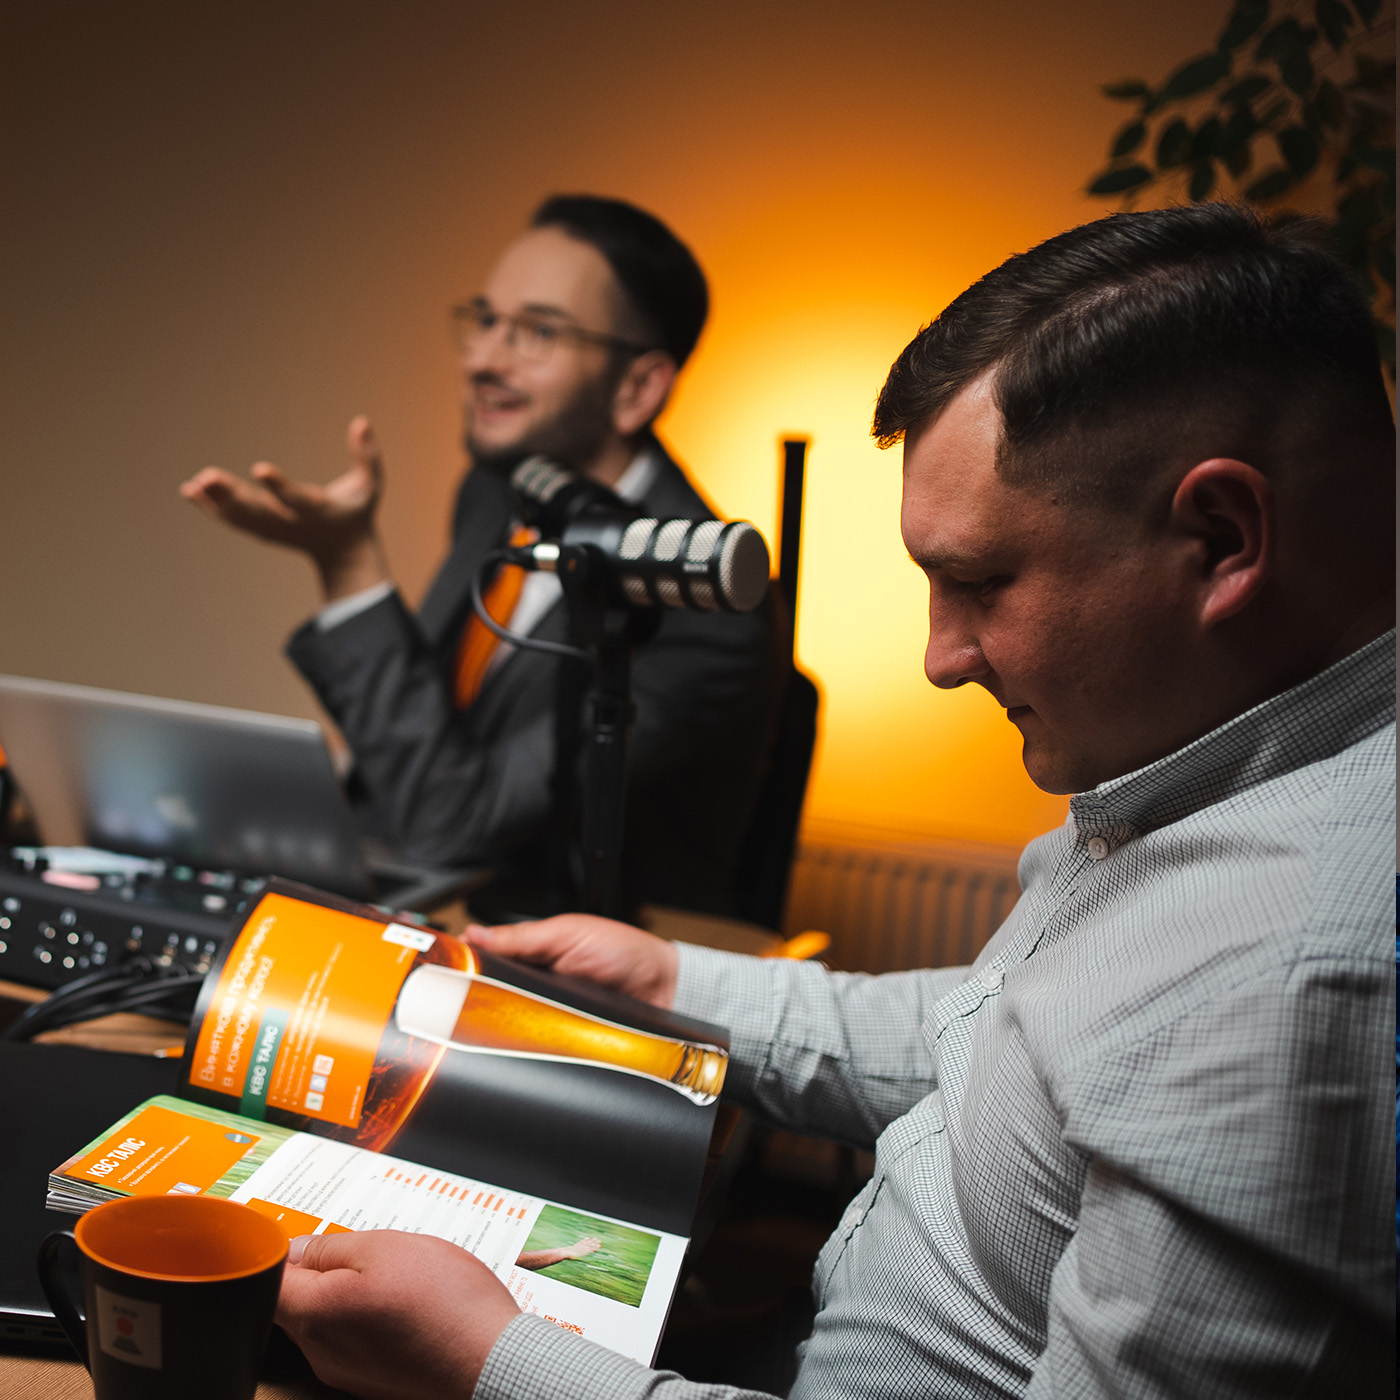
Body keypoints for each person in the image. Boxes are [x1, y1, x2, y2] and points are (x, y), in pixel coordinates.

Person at [273, 203, 1396, 1398]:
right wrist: (672, 980)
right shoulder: (1201, 766)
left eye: (979, 580)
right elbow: (1003, 1040)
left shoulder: (1290, 984)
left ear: (1220, 538)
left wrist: (489, 1361)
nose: (940, 657)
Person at [181, 195, 786, 914]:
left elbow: (454, 826)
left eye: (538, 332)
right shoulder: (494, 496)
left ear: (638, 388)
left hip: (566, 959)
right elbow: (429, 742)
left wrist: (349, 567)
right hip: (418, 904)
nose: (480, 360)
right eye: (487, 320)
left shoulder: (704, 602)